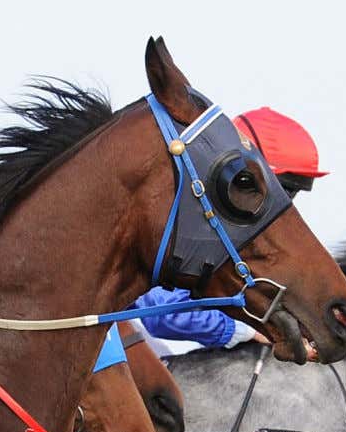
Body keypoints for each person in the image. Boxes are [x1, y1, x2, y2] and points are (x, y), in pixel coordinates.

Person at [104, 106, 327, 362]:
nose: (285, 206)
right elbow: (162, 313)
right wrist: (249, 331)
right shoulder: (181, 212)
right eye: (284, 192)